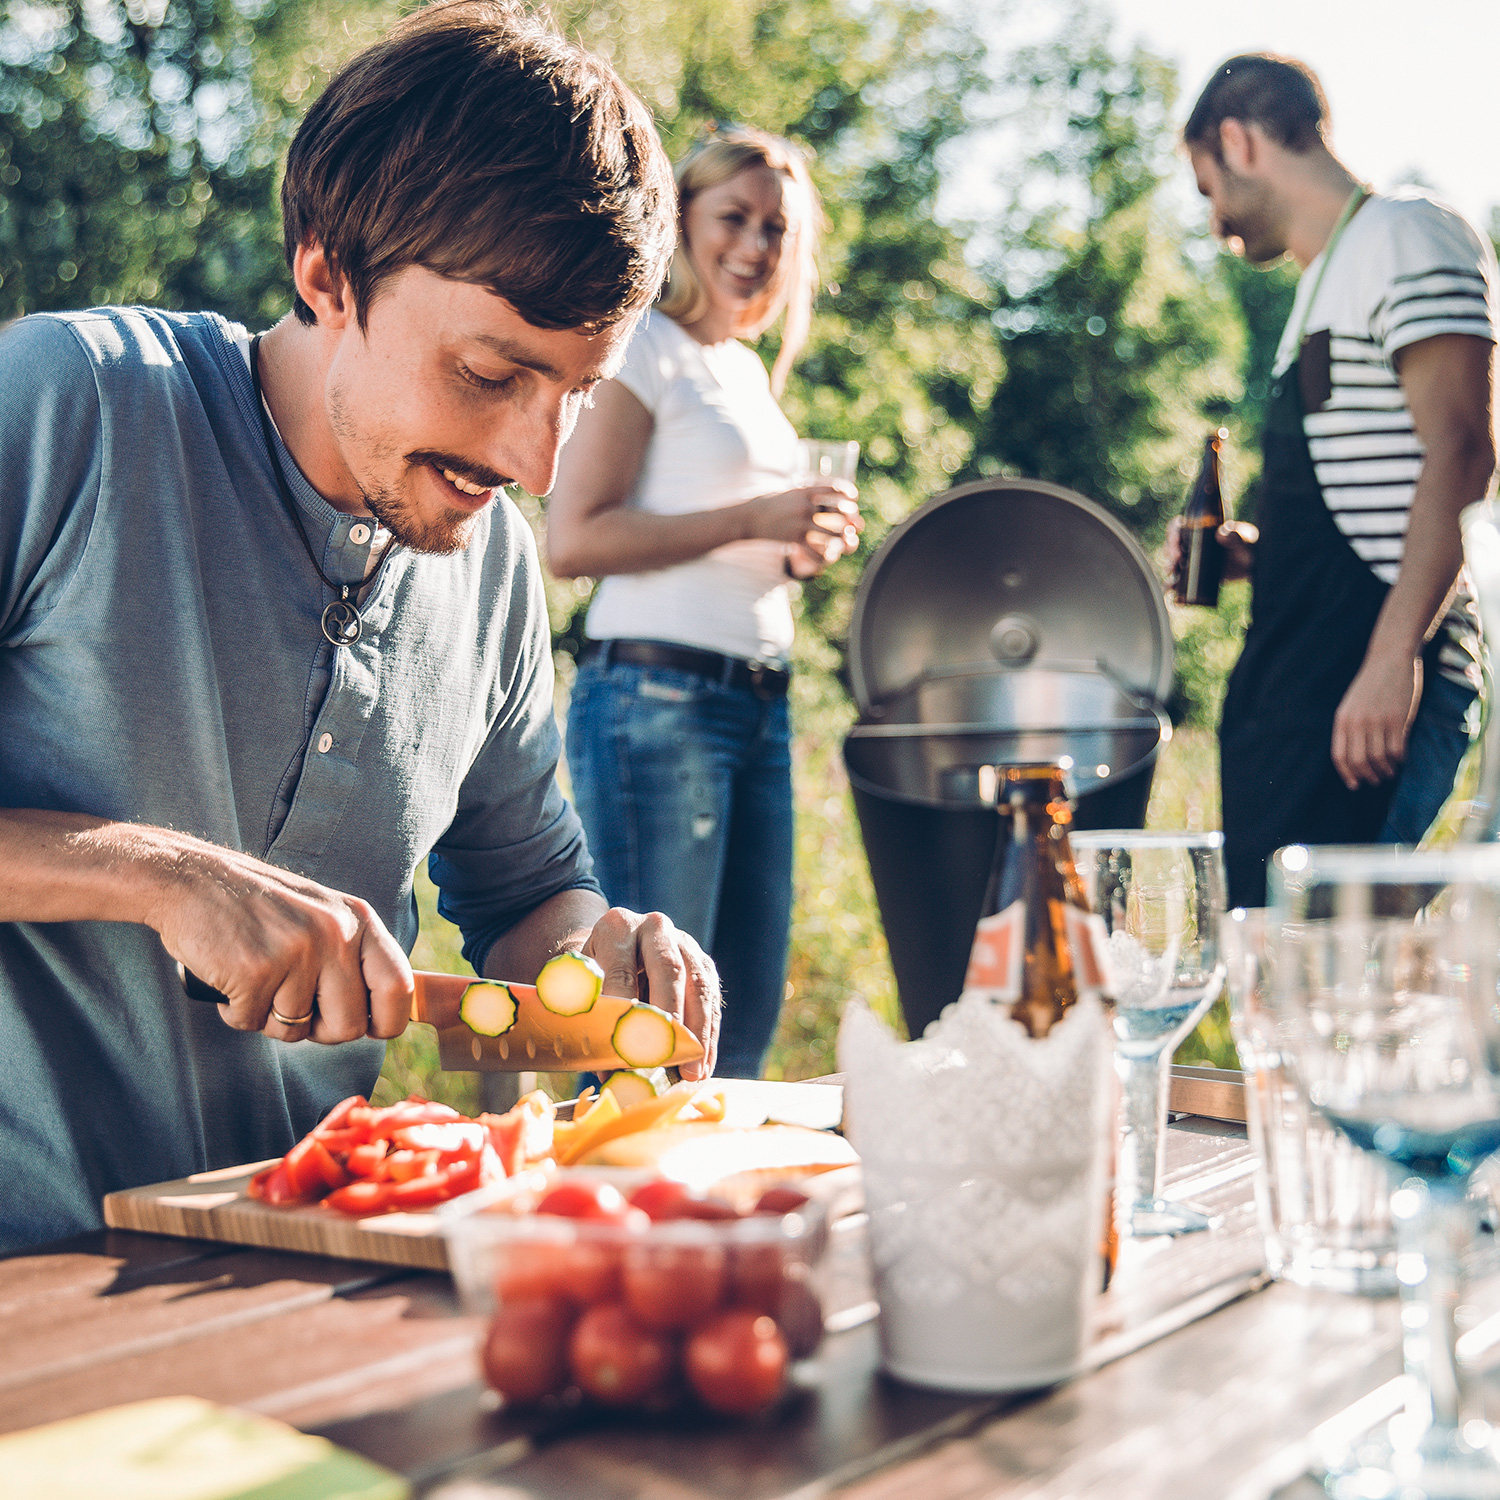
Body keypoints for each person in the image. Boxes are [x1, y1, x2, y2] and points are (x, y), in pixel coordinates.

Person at [0, 0, 723, 1254]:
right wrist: (158, 877)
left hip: (289, 1270)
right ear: (328, 274)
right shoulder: (71, 405)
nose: (534, 461)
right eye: (491, 376)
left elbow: (526, 890)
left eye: (576, 393)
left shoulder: (488, 553)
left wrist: (599, 958)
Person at [546, 125, 861, 1079]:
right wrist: (759, 513)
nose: (755, 245)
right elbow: (576, 539)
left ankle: (713, 1223)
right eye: (734, 217)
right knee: (653, 1030)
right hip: (660, 704)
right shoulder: (646, 343)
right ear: (682, 222)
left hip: (756, 705)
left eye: (776, 228)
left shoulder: (745, 373)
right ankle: (619, 1220)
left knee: (738, 1021)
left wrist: (794, 548)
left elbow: (729, 531)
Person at [1178, 54, 1497, 907]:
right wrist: (1255, 555)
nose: (1214, 221)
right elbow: (1371, 492)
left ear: (1239, 142)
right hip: (1305, 683)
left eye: (1208, 188)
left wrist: (1392, 658)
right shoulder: (1322, 282)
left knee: (1338, 977)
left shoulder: (1405, 232)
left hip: (1377, 675)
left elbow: (1463, 450)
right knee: (1278, 969)